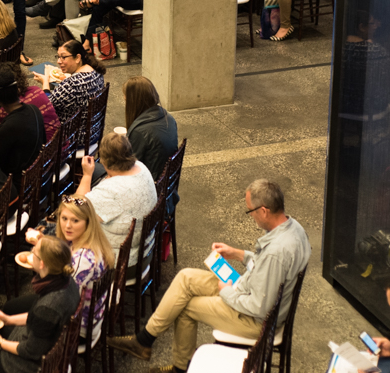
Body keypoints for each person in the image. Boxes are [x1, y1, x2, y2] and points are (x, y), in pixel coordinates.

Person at [110, 180, 311, 372]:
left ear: (264, 211)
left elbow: (259, 307)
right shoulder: (294, 229)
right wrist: (238, 254)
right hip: (250, 290)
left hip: (254, 319)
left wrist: (227, 293)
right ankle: (144, 340)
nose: (251, 217)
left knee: (185, 307)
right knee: (186, 277)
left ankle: (178, 367)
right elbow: (267, 268)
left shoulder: (276, 253)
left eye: (251, 211)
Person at [0, 235, 80, 373]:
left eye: (34, 252)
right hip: (31, 338)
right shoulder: (66, 281)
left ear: (42, 264)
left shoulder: (49, 305)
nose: (31, 253)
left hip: (27, 364)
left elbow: (31, 351)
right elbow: (37, 318)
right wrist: (7, 319)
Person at [30, 196, 114, 329]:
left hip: (76, 325)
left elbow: (63, 300)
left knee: (13, 309)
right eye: (64, 219)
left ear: (88, 222)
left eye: (75, 220)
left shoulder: (83, 261)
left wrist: (40, 266)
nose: (68, 226)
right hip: (90, 310)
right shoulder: (86, 240)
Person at [75, 132, 158, 259]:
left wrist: (87, 175)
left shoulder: (110, 192)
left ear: (103, 161)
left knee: (66, 233)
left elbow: (76, 209)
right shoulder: (141, 167)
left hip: (119, 260)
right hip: (144, 247)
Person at [0, 64, 45, 190]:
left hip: (19, 183)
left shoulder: (9, 126)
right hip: (38, 172)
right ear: (18, 90)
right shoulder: (34, 110)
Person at [38, 39, 105, 125]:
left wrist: (45, 82)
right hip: (95, 128)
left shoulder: (71, 83)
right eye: (58, 57)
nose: (58, 61)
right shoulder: (96, 71)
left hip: (75, 134)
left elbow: (47, 106)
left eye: (63, 57)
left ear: (77, 58)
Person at [123, 77, 177, 182]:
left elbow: (130, 166)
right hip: (164, 180)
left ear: (133, 101)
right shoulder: (168, 117)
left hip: (148, 184)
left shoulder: (139, 131)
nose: (124, 98)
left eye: (126, 97)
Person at [0, 61, 58, 144]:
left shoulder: (6, 110)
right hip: (60, 145)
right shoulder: (36, 90)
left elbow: (0, 141)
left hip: (43, 154)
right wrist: (45, 82)